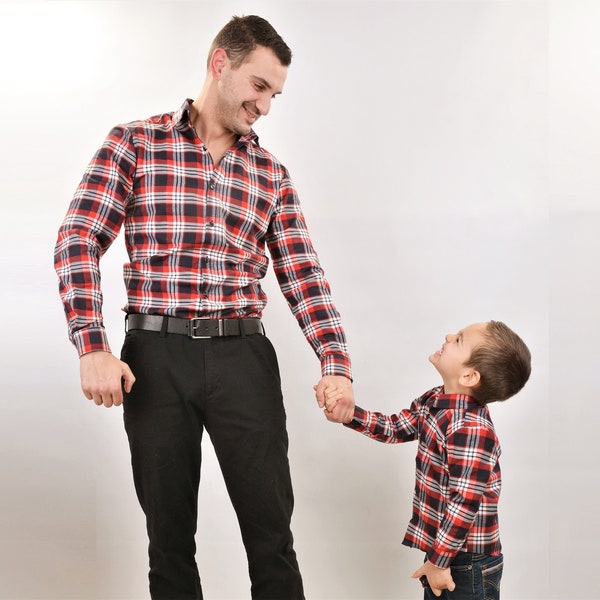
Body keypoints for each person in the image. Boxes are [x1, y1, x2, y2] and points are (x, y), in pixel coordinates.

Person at [54, 15, 355, 600]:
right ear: (221, 63)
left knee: (271, 535)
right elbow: (78, 238)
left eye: (275, 94)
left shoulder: (270, 174)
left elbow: (304, 275)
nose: (265, 106)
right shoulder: (135, 143)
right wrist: (91, 344)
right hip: (155, 358)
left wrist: (335, 362)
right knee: (168, 538)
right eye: (259, 87)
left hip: (243, 356)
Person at [321, 320, 531, 600]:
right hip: (443, 552)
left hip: (467, 560)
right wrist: (350, 415)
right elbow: (397, 427)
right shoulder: (435, 399)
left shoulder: (471, 428)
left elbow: (464, 502)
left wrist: (439, 560)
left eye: (458, 340)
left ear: (469, 376)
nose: (448, 335)